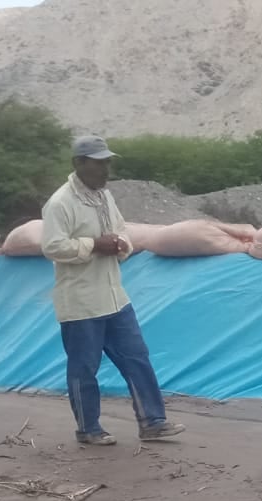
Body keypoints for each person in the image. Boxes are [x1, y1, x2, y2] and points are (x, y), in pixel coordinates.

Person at [39, 134, 183, 445]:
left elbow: (121, 230)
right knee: (84, 367)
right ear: (79, 164)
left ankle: (152, 421)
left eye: (108, 163)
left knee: (136, 356)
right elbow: (52, 246)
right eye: (99, 164)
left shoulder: (104, 196)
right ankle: (88, 428)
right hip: (81, 301)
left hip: (114, 296)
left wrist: (120, 244)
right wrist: (93, 245)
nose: (106, 170)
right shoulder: (61, 202)